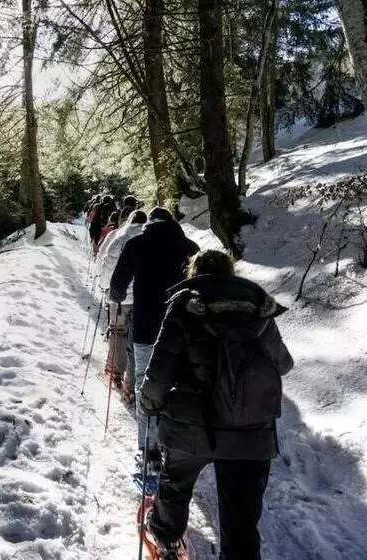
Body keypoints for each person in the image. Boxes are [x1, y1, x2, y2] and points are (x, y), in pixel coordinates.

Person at [140, 250, 294, 559]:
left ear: (194, 272)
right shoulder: (257, 307)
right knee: (241, 518)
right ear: (230, 272)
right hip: (252, 430)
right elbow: (283, 364)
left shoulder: (185, 305)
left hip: (193, 426)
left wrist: (150, 403)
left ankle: (166, 537)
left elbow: (160, 371)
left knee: (176, 484)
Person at [109, 207, 199, 472]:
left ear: (150, 223)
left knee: (144, 386)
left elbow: (117, 285)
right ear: (173, 223)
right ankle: (175, 447)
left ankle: (148, 451)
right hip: (182, 330)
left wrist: (117, 298)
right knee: (177, 386)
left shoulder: (137, 244)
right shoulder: (190, 247)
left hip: (146, 328)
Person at [97, 209, 147, 398]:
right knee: (136, 339)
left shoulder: (119, 238)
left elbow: (108, 264)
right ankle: (131, 382)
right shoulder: (148, 241)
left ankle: (115, 373)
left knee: (117, 333)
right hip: (141, 299)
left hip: (119, 298)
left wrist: (104, 286)